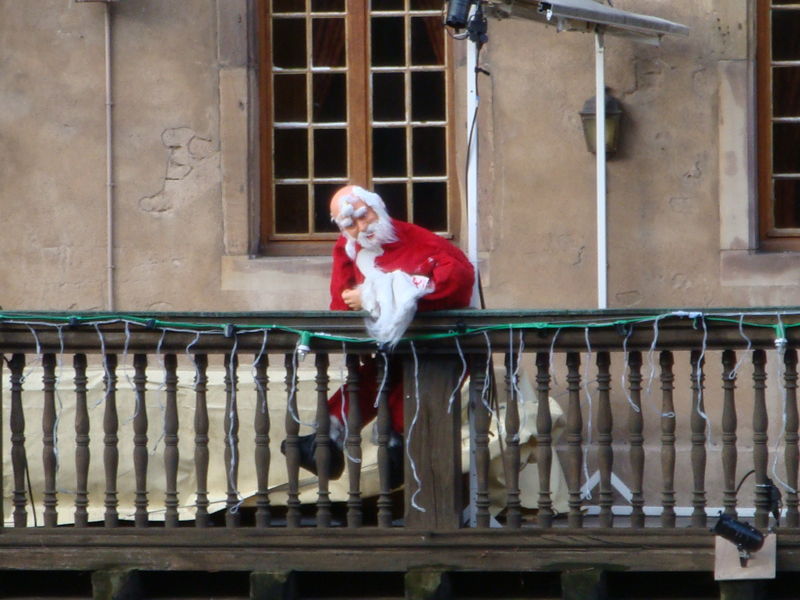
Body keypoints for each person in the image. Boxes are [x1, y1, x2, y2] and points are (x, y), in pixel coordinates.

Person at [286, 185, 475, 482]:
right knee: (375, 377)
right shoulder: (348, 246)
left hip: (437, 342)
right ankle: (327, 437)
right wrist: (354, 336)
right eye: (350, 224)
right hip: (388, 342)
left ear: (378, 207)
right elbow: (341, 296)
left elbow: (455, 283)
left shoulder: (421, 241)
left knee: (407, 384)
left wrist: (371, 296)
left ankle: (395, 443)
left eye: (364, 215)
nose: (362, 227)